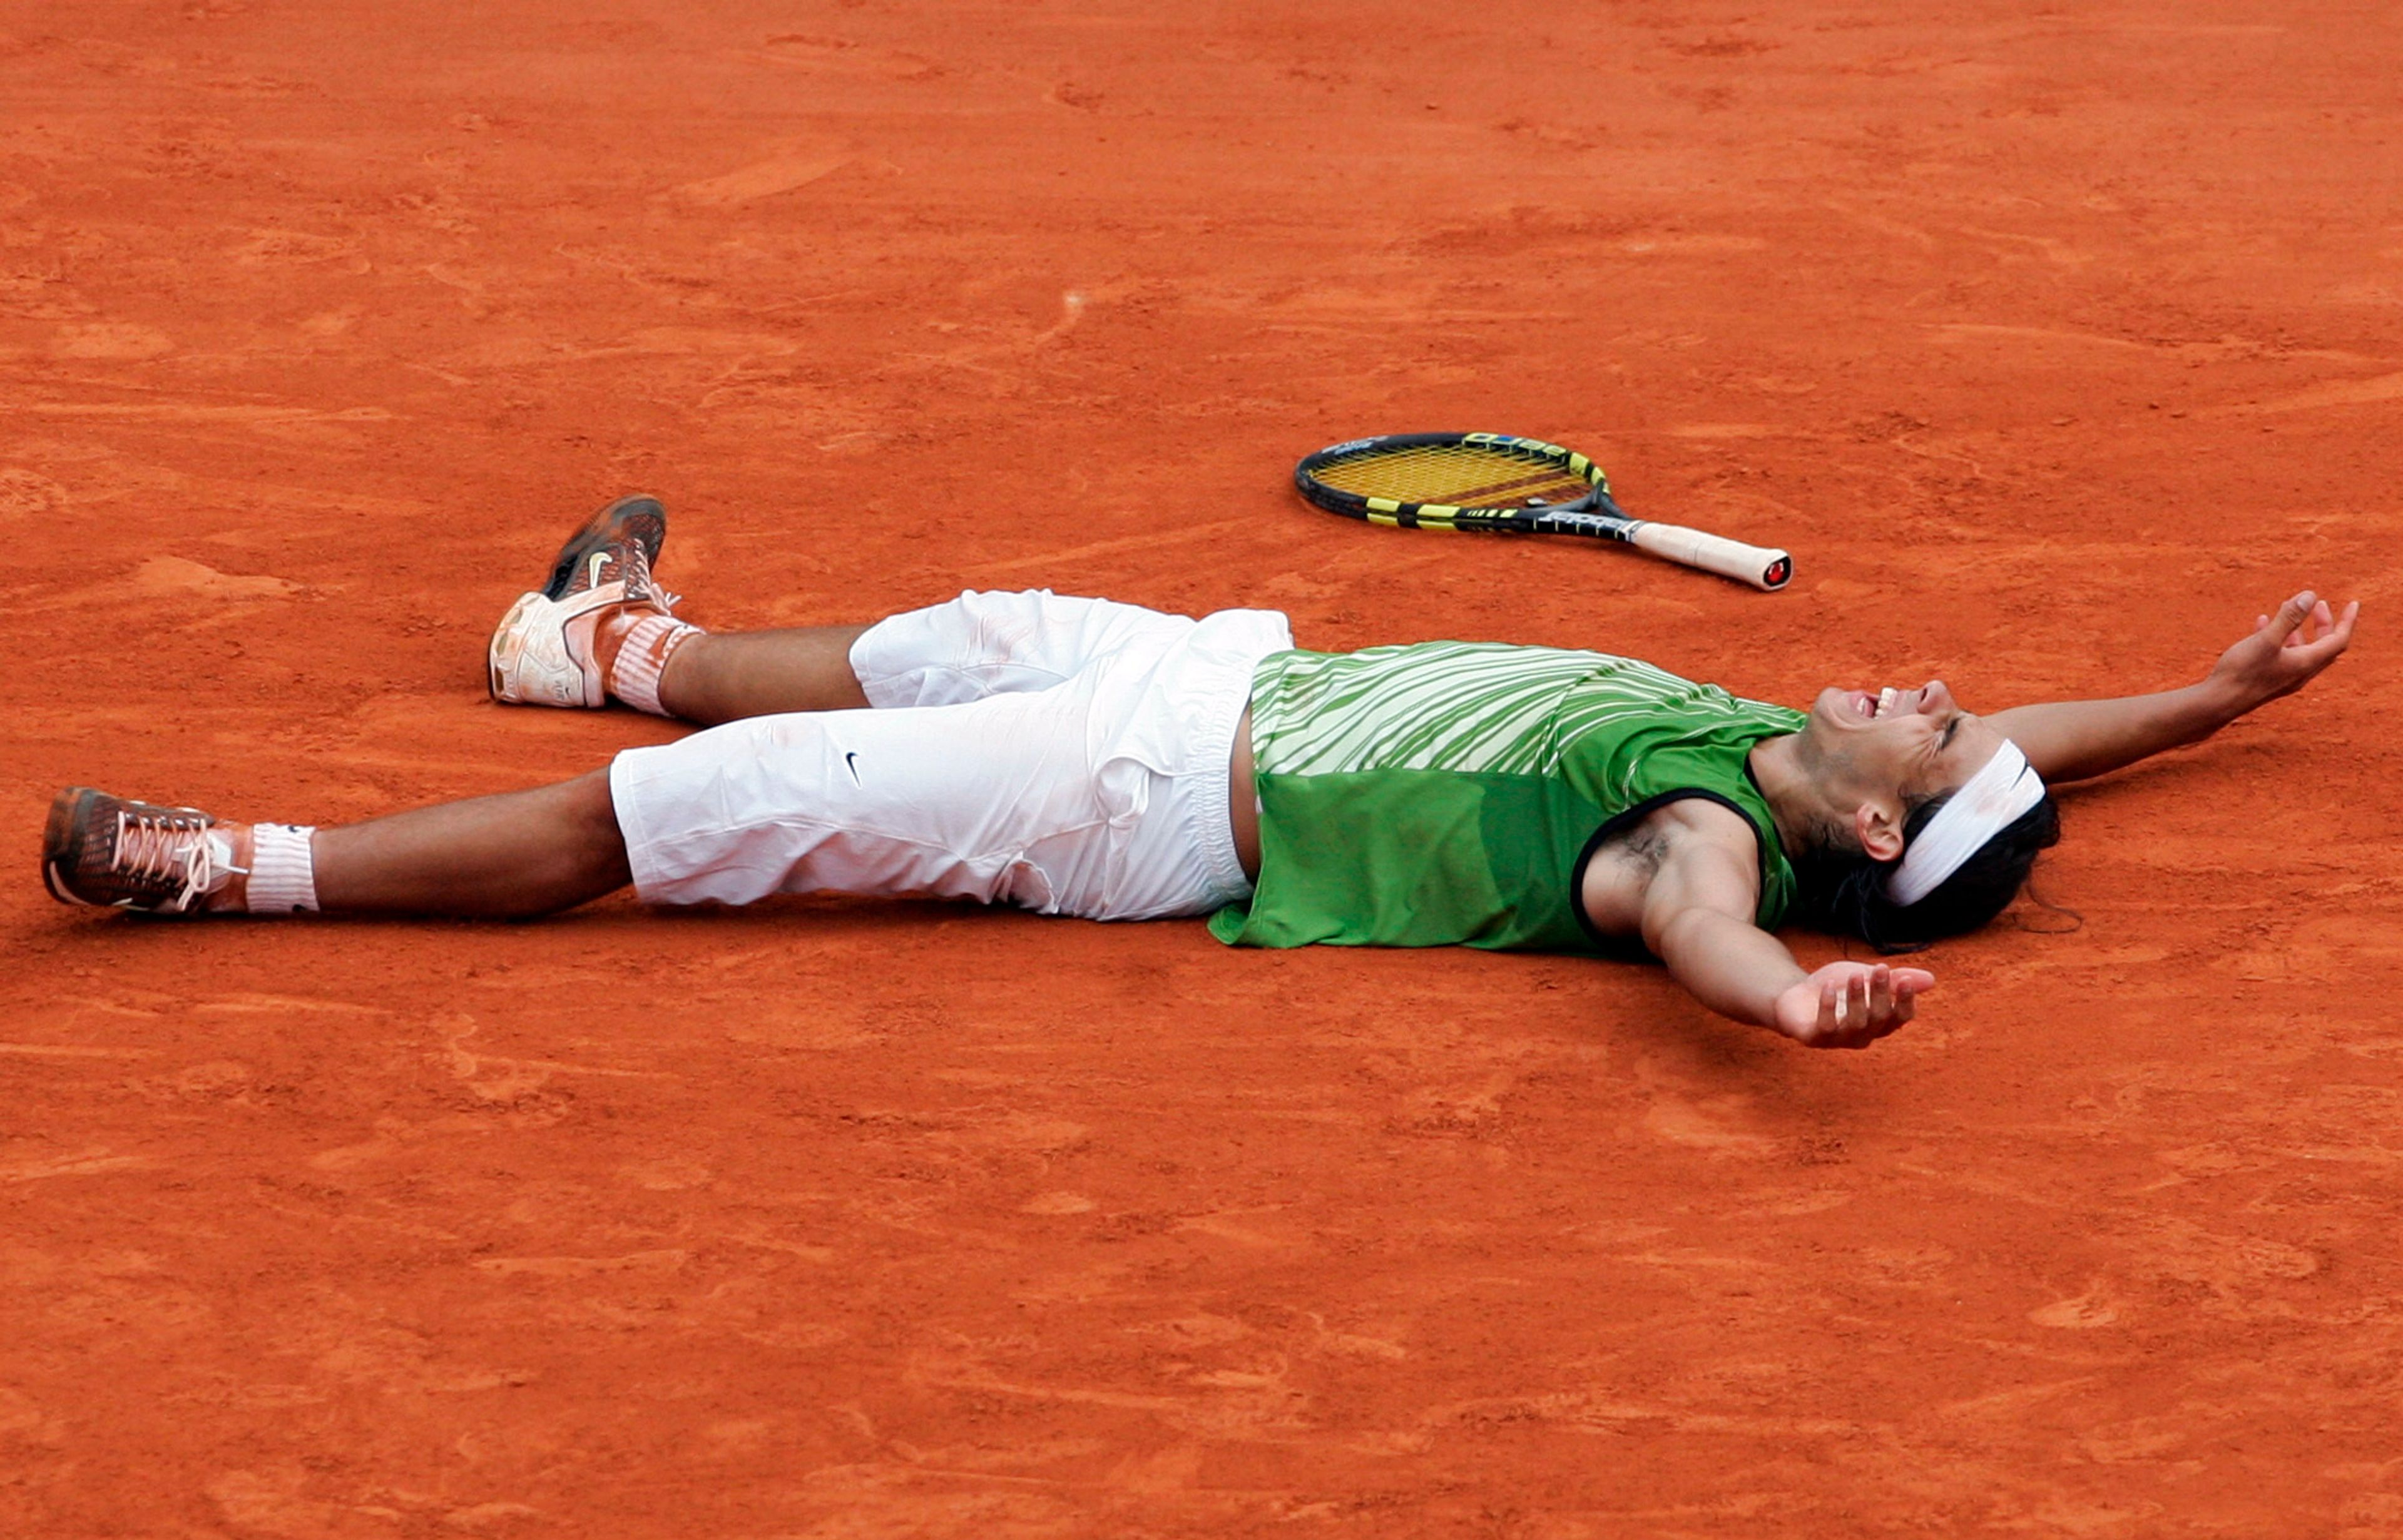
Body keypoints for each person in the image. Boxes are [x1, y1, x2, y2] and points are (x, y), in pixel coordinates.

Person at [42, 497, 2359, 1050]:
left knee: (690, 840)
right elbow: (2034, 757)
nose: (1943, 685)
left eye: (1928, 729)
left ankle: (230, 868)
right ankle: (594, 643)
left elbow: (1700, 931)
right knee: (932, 632)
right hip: (1215, 667)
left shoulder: (1697, 837)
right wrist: (2225, 694)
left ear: (1860, 826)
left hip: (1127, 810)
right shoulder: (1809, 758)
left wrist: (1797, 1006)